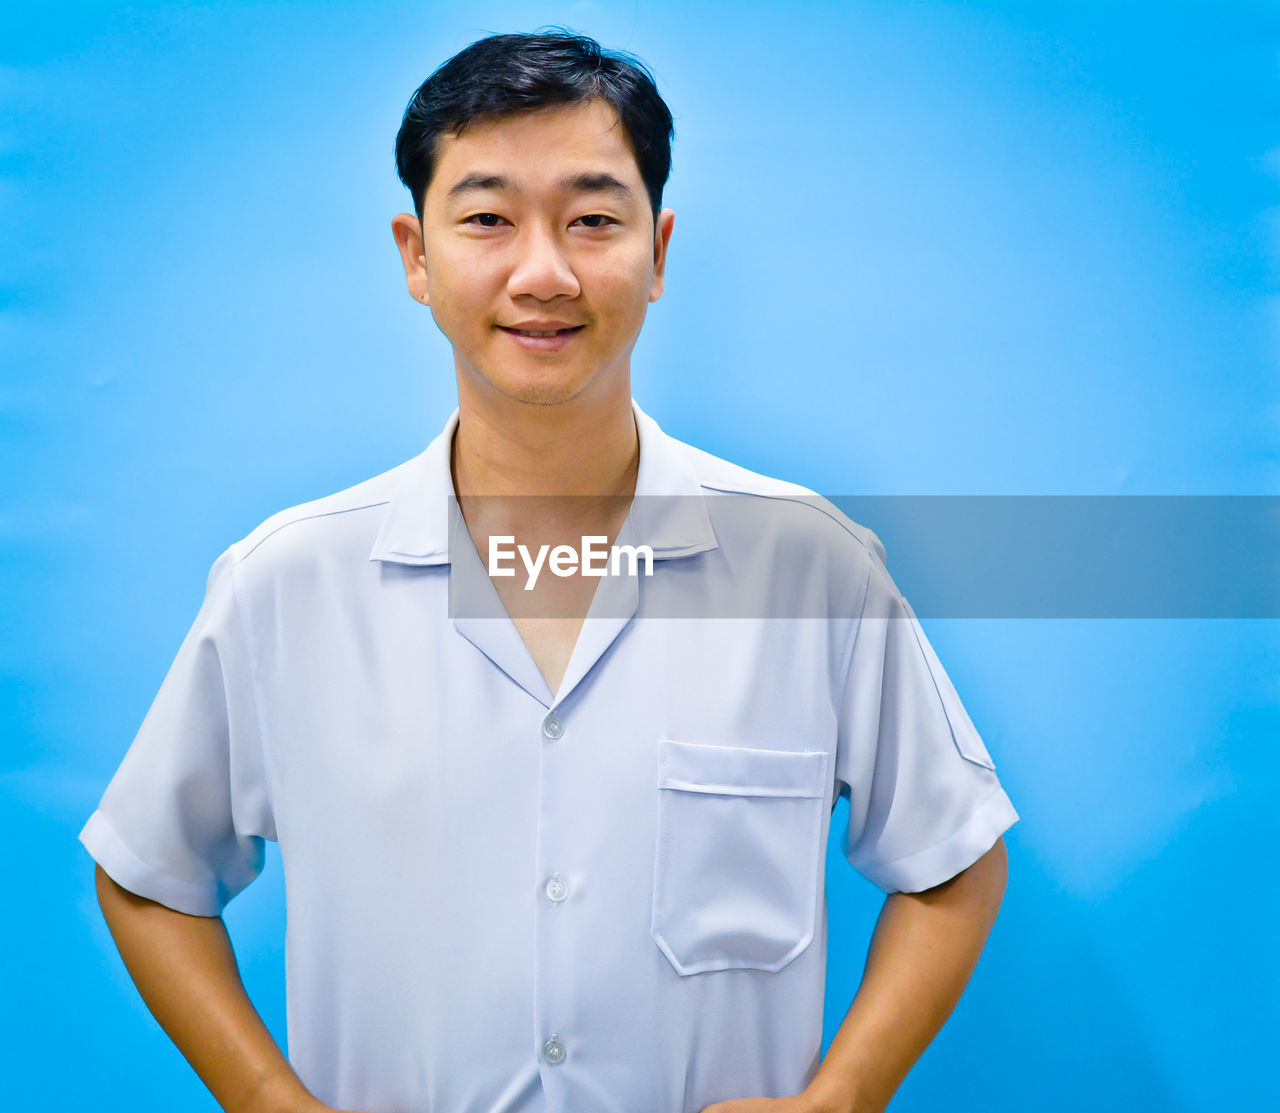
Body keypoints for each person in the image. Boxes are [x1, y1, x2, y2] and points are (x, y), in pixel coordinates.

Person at [80, 28, 1019, 1113]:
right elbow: (149, 873)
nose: (543, 271)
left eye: (592, 220)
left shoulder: (808, 568)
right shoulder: (286, 584)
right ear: (415, 255)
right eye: (485, 218)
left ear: (658, 253)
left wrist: (841, 1098)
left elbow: (951, 855)